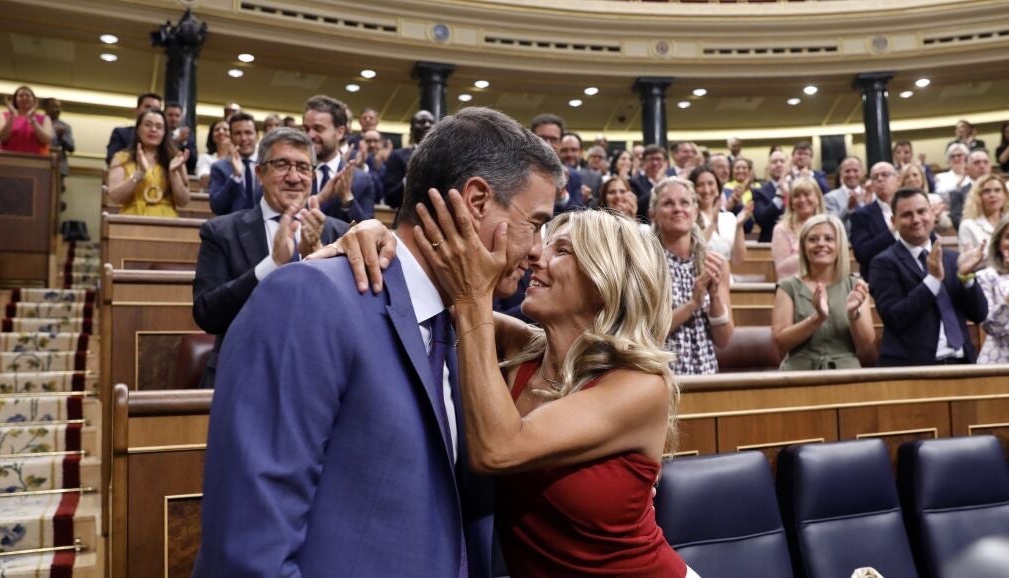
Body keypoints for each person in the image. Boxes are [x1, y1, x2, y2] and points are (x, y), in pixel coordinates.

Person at [194, 106, 563, 576]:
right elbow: (248, 551)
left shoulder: (466, 327)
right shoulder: (308, 299)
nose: (537, 250)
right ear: (475, 201)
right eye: (536, 223)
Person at [410, 198, 695, 577]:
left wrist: (473, 296)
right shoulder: (519, 347)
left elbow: (496, 450)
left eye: (561, 250)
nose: (535, 257)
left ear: (604, 281)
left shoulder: (641, 385)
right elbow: (422, 291)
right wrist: (372, 234)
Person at [192, 128, 347, 389]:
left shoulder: (338, 234)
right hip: (242, 375)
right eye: (282, 165)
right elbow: (207, 314)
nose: (294, 177)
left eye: (303, 167)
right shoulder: (221, 232)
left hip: (319, 379)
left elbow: (350, 318)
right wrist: (271, 265)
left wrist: (317, 263)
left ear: (313, 176)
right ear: (260, 173)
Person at [869, 188, 988, 366]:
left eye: (921, 211)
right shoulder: (884, 263)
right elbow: (895, 318)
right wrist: (932, 281)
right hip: (913, 368)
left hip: (961, 363)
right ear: (894, 221)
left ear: (932, 214)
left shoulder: (953, 259)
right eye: (907, 215)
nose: (916, 219)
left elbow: (979, 314)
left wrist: (966, 278)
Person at [771, 214, 875, 370]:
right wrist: (817, 318)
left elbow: (867, 348)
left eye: (829, 239)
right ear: (804, 248)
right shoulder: (788, 286)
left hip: (846, 373)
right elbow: (780, 344)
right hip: (798, 373)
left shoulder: (856, 287)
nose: (821, 244)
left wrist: (854, 314)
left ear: (839, 246)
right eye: (813, 239)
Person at [654, 177, 733, 375]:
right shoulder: (645, 263)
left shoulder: (715, 263)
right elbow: (649, 334)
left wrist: (714, 298)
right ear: (653, 214)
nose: (677, 209)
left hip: (706, 378)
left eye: (684, 202)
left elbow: (724, 339)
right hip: (662, 380)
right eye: (668, 203)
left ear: (695, 212)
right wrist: (693, 304)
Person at [303, 95, 376, 222]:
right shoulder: (293, 172)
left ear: (340, 132)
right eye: (306, 129)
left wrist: (347, 199)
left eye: (318, 129)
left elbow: (368, 229)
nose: (310, 135)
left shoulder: (361, 179)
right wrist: (319, 199)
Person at [105, 108, 190, 217]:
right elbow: (115, 198)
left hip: (167, 220)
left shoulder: (175, 158)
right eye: (148, 125)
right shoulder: (121, 158)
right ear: (138, 129)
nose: (153, 129)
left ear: (164, 132)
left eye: (159, 127)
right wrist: (139, 174)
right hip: (131, 219)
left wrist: (173, 174)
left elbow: (183, 202)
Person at [850, 162, 902, 281]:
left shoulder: (911, 208)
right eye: (875, 177)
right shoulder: (861, 215)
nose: (880, 179)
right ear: (872, 185)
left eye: (885, 175)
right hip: (880, 279)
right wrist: (892, 231)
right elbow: (862, 253)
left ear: (898, 180)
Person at [690, 165, 752, 264]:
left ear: (718, 187)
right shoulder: (689, 218)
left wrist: (739, 227)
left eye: (710, 183)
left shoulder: (729, 217)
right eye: (700, 185)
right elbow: (693, 254)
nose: (706, 190)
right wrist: (713, 223)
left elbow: (738, 261)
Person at [772, 177, 825, 280]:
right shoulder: (781, 229)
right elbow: (782, 268)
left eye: (807, 194)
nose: (802, 200)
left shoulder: (830, 226)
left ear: (818, 198)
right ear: (791, 202)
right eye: (796, 196)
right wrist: (814, 253)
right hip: (794, 285)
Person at [207, 112, 260, 215]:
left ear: (257, 136)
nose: (243, 138)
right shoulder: (219, 167)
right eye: (238, 133)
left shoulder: (269, 165)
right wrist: (236, 177)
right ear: (230, 137)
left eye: (248, 133)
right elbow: (217, 207)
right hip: (233, 224)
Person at [383, 109, 434, 208]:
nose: (427, 125)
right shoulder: (397, 156)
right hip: (408, 214)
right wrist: (409, 179)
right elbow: (390, 199)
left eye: (431, 122)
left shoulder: (444, 156)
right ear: (411, 128)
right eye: (422, 122)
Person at [976, 215, 1009, 364]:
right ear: (998, 244)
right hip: (998, 363)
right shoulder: (986, 277)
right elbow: (992, 327)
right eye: (1008, 237)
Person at [106, 92, 161, 164]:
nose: (151, 111)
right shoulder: (121, 133)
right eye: (147, 107)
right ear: (137, 110)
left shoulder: (163, 137)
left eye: (156, 109)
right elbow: (111, 158)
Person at [0, 86, 53, 154]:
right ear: (15, 100)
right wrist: (12, 116)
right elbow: (2, 138)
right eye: (20, 96)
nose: (24, 98)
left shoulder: (44, 118)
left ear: (34, 100)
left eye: (28, 96)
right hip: (8, 157)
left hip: (36, 158)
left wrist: (32, 119)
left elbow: (47, 140)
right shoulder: (5, 115)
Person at [959, 175, 1008, 251]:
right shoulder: (968, 225)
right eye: (987, 191)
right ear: (978, 196)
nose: (992, 195)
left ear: (1005, 195)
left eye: (997, 190)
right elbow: (967, 256)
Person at [752, 149, 791, 242]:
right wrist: (779, 195)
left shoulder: (797, 187)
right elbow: (762, 220)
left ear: (787, 166)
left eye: (782, 161)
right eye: (774, 162)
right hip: (769, 242)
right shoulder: (759, 192)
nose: (778, 164)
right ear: (768, 167)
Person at [823, 156, 867, 233]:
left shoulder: (871, 195)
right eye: (847, 171)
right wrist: (848, 208)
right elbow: (832, 224)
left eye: (855, 170)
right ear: (841, 173)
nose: (851, 175)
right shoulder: (830, 197)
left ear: (862, 172)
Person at [630, 145, 668, 221]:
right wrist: (658, 185)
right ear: (643, 162)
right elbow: (638, 207)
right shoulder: (634, 182)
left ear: (666, 163)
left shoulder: (673, 181)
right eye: (651, 159)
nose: (655, 163)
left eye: (658, 159)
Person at [42, 98, 74, 182]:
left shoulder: (65, 126)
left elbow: (71, 148)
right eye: (54, 107)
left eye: (59, 107)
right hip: (40, 164)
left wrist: (61, 138)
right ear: (45, 108)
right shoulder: (38, 122)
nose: (58, 110)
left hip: (59, 167)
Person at [195, 119, 232, 189]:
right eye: (217, 130)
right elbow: (204, 181)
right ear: (212, 137)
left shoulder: (241, 157)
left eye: (225, 129)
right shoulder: (205, 157)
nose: (221, 132)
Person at [164, 101, 198, 174]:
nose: (173, 118)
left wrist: (183, 143)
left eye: (177, 115)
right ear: (164, 115)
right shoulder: (159, 134)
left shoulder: (188, 136)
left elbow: (193, 162)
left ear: (181, 117)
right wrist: (178, 141)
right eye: (170, 115)